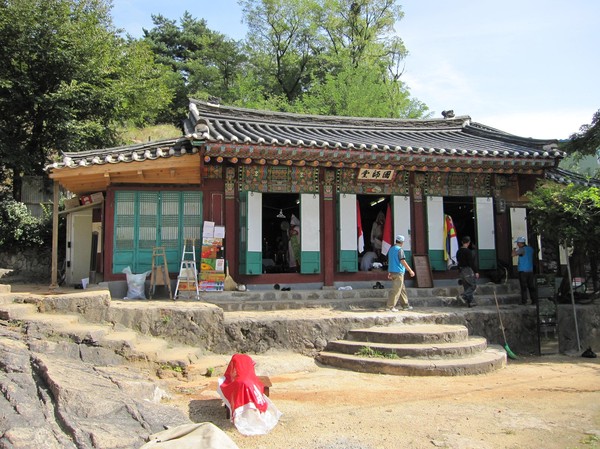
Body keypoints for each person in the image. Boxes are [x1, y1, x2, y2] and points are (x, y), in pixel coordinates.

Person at [386, 235, 415, 312]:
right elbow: (402, 261)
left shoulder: (391, 249)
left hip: (392, 271)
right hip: (398, 272)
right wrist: (410, 270)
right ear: (402, 242)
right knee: (396, 290)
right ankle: (390, 306)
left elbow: (390, 261)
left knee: (402, 289)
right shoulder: (400, 250)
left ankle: (405, 305)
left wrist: (389, 272)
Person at [512, 236, 537, 305]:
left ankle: (524, 301)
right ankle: (534, 300)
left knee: (523, 287)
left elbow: (513, 255)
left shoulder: (521, 249)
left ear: (520, 243)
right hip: (530, 270)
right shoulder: (530, 249)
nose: (517, 244)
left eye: (518, 243)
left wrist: (514, 249)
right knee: (531, 286)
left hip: (522, 270)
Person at [456, 236, 479, 308]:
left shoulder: (458, 251)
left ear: (462, 242)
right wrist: (476, 271)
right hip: (467, 270)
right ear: (469, 243)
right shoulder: (468, 252)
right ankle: (463, 296)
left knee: (467, 287)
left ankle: (470, 303)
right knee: (473, 285)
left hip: (461, 270)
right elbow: (471, 262)